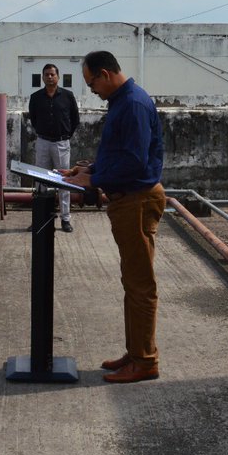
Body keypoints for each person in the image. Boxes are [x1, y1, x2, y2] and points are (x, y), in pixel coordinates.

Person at [62, 51, 165, 384]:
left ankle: (145, 361)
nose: (93, 90)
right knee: (131, 282)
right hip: (127, 199)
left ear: (105, 74)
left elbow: (134, 162)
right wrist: (91, 169)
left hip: (136, 199)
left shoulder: (132, 104)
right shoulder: (123, 101)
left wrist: (93, 180)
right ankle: (135, 352)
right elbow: (120, 155)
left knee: (140, 285)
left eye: (92, 83)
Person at [28, 63, 79, 233]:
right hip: (43, 142)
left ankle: (65, 219)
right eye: (47, 74)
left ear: (58, 76)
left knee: (63, 181)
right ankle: (39, 218)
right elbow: (33, 119)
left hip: (61, 143)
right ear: (42, 77)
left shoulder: (67, 96)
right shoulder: (36, 97)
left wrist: (65, 135)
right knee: (40, 181)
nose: (50, 77)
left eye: (52, 74)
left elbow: (75, 119)